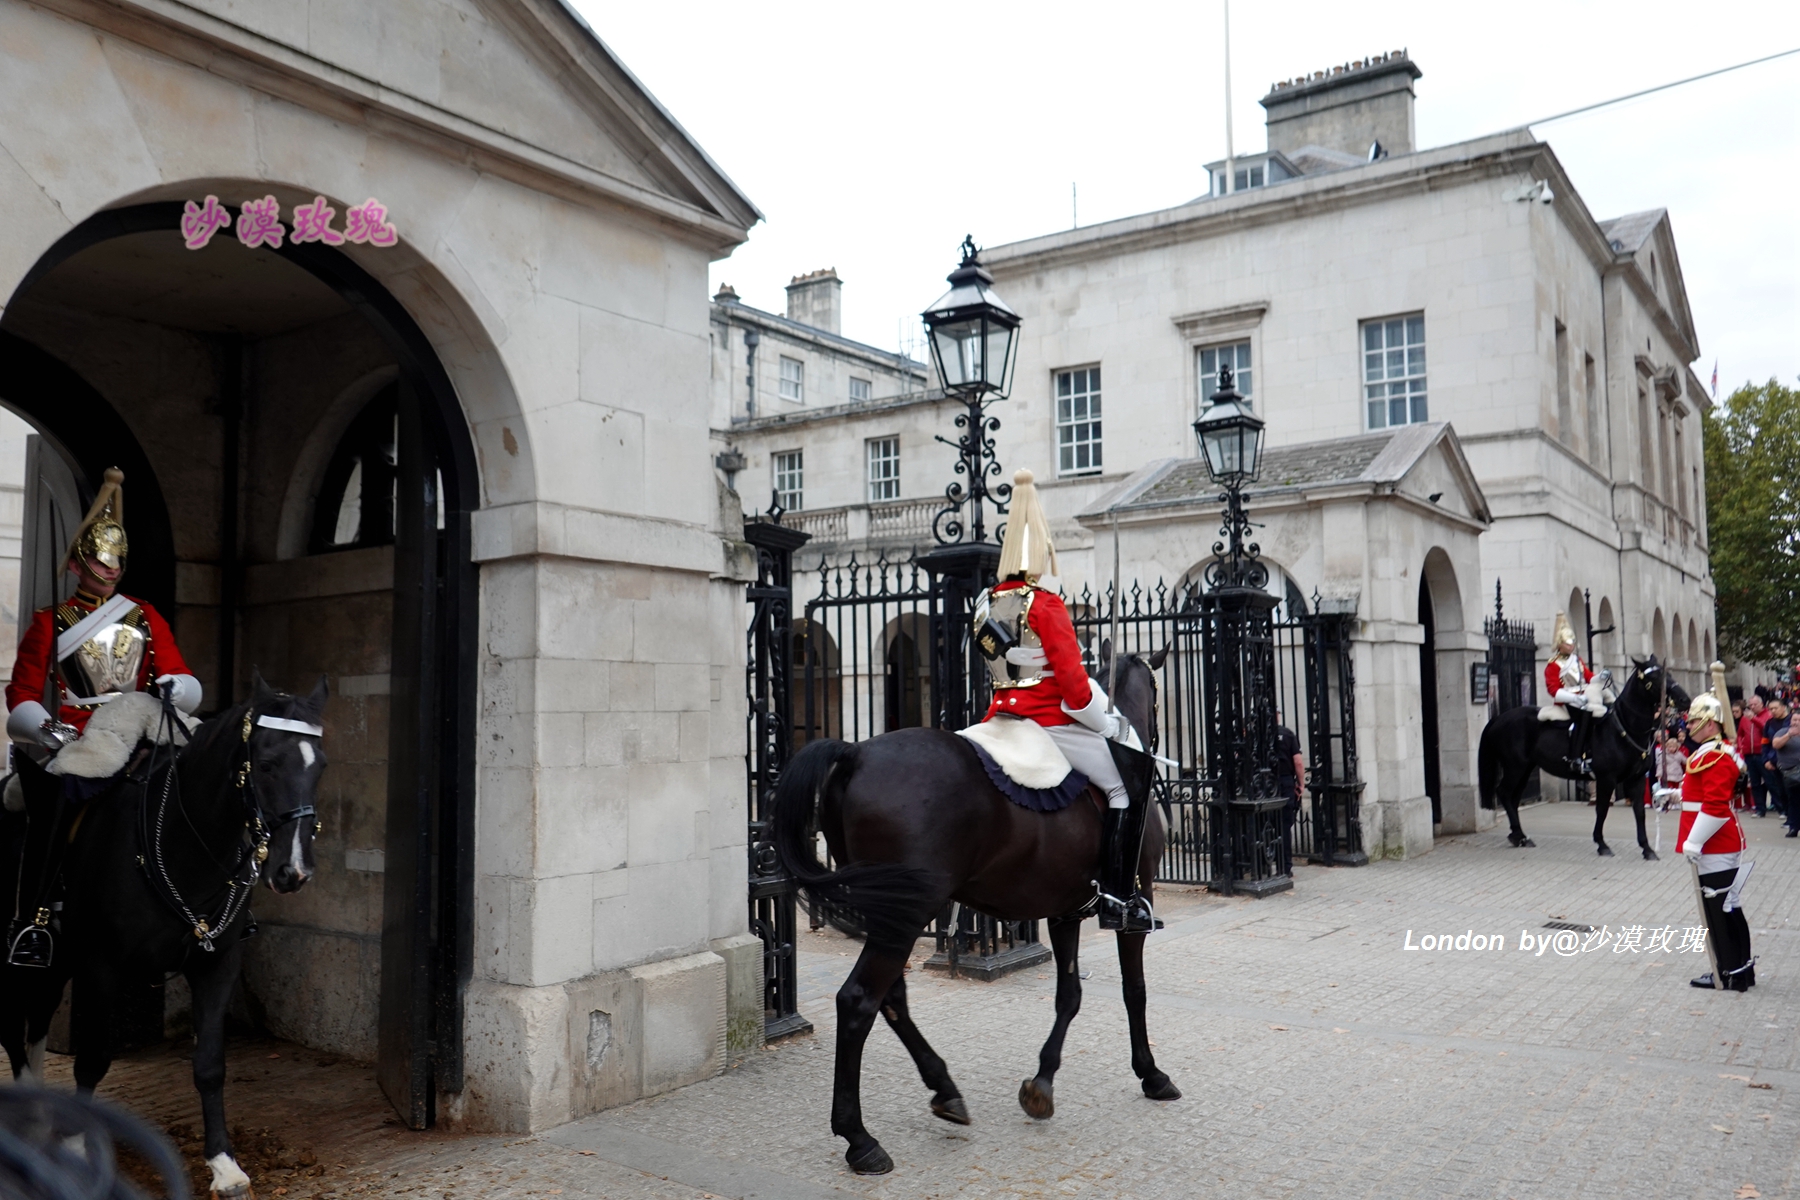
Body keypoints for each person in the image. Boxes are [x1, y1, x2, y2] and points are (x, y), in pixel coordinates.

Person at [3, 469, 201, 968]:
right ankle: (37, 918)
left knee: (207, 785)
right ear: (77, 562)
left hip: (143, 725)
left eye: (115, 563)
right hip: (81, 735)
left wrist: (175, 688)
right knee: (55, 804)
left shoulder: (145, 616)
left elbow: (177, 671)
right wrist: (53, 732)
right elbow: (23, 692)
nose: (109, 570)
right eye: (98, 560)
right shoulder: (51, 621)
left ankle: (212, 904)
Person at [973, 468, 1151, 932]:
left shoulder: (985, 604)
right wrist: (1110, 724)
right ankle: (1117, 896)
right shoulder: (1046, 604)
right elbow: (1074, 691)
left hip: (997, 718)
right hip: (1047, 722)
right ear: (1042, 553)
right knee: (1124, 785)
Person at [1677, 692, 1753, 991]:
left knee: (1719, 912)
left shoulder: (1715, 755)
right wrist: (1674, 796)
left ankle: (1730, 973)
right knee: (1727, 907)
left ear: (1710, 724)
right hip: (1718, 841)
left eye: (1694, 720)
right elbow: (1702, 796)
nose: (1689, 724)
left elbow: (1716, 806)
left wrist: (1694, 842)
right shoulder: (1717, 751)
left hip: (1714, 843)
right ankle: (1741, 970)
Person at [1542, 613, 1601, 776]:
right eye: (1568, 642)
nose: (1572, 645)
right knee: (1582, 718)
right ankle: (1575, 758)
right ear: (1560, 644)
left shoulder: (1577, 660)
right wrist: (1574, 698)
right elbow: (1553, 689)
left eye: (1573, 641)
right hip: (1567, 700)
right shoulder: (1553, 665)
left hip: (1584, 697)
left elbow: (1588, 677)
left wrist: (1601, 677)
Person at [1272, 713, 1304, 871]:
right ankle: (1284, 866)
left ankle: (1260, 865)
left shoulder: (1256, 735)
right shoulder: (1287, 734)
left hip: (1265, 783)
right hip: (1285, 782)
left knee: (1265, 823)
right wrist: (1301, 783)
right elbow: (1298, 761)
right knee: (1284, 825)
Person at [1738, 693, 1770, 815]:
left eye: (1754, 704)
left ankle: (1781, 808)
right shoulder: (1744, 718)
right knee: (1754, 783)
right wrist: (1741, 745)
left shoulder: (1767, 715)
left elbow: (1766, 729)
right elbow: (1740, 734)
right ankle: (1759, 808)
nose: (1752, 707)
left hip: (1762, 752)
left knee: (1770, 781)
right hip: (1749, 753)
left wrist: (1754, 719)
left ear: (1761, 704)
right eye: (1750, 705)